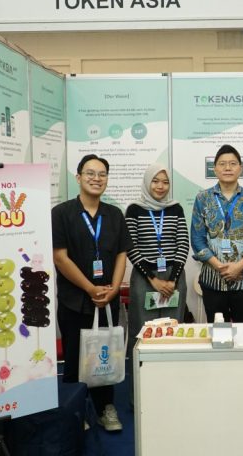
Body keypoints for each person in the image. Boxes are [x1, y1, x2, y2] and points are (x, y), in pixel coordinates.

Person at [52, 154, 131, 432]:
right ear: (78, 177)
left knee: (105, 355)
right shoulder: (61, 213)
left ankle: (104, 407)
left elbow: (121, 254)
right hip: (75, 300)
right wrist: (89, 288)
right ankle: (75, 411)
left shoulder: (114, 214)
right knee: (75, 357)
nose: (96, 179)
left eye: (102, 174)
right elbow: (60, 257)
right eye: (90, 173)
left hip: (107, 300)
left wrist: (114, 288)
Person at [190, 144, 243, 322]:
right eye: (222, 164)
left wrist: (239, 267)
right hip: (212, 282)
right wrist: (221, 267)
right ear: (215, 169)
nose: (227, 168)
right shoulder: (203, 198)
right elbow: (197, 240)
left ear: (240, 168)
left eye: (233, 163)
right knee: (218, 332)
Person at [125, 163, 190, 355]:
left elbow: (183, 243)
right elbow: (131, 246)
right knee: (144, 328)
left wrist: (172, 280)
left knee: (172, 327)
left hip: (173, 277)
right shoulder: (134, 209)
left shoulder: (175, 208)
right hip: (145, 277)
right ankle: (140, 368)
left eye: (165, 182)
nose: (160, 186)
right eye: (155, 181)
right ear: (147, 182)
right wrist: (153, 279)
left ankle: (170, 366)